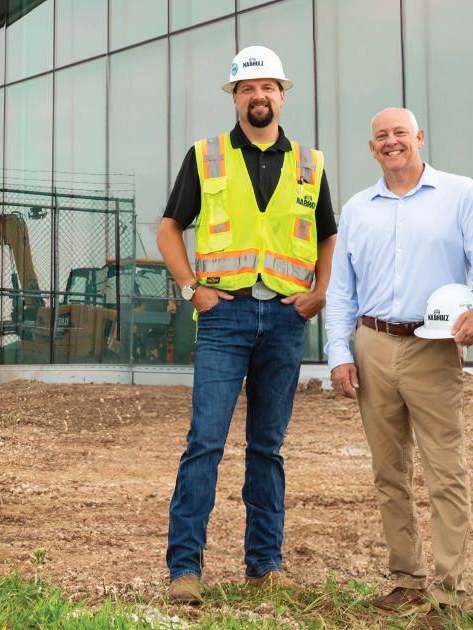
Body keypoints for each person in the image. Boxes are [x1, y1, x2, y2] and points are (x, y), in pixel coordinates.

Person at [158, 46, 337, 603]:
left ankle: (264, 564)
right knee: (205, 443)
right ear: (234, 97)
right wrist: (192, 289)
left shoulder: (311, 163)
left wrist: (319, 293)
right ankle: (185, 570)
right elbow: (169, 229)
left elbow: (327, 234)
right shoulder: (205, 155)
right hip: (224, 316)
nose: (258, 97)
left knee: (268, 447)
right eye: (247, 88)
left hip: (285, 318)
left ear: (282, 95)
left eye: (267, 88)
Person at [324, 107, 473, 629]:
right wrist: (339, 354)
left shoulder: (459, 193)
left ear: (419, 138)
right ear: (371, 147)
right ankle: (407, 579)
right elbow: (341, 289)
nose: (391, 142)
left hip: (434, 345)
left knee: (445, 469)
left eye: (400, 133)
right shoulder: (358, 209)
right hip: (372, 344)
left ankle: (448, 592)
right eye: (381, 136)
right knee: (389, 472)